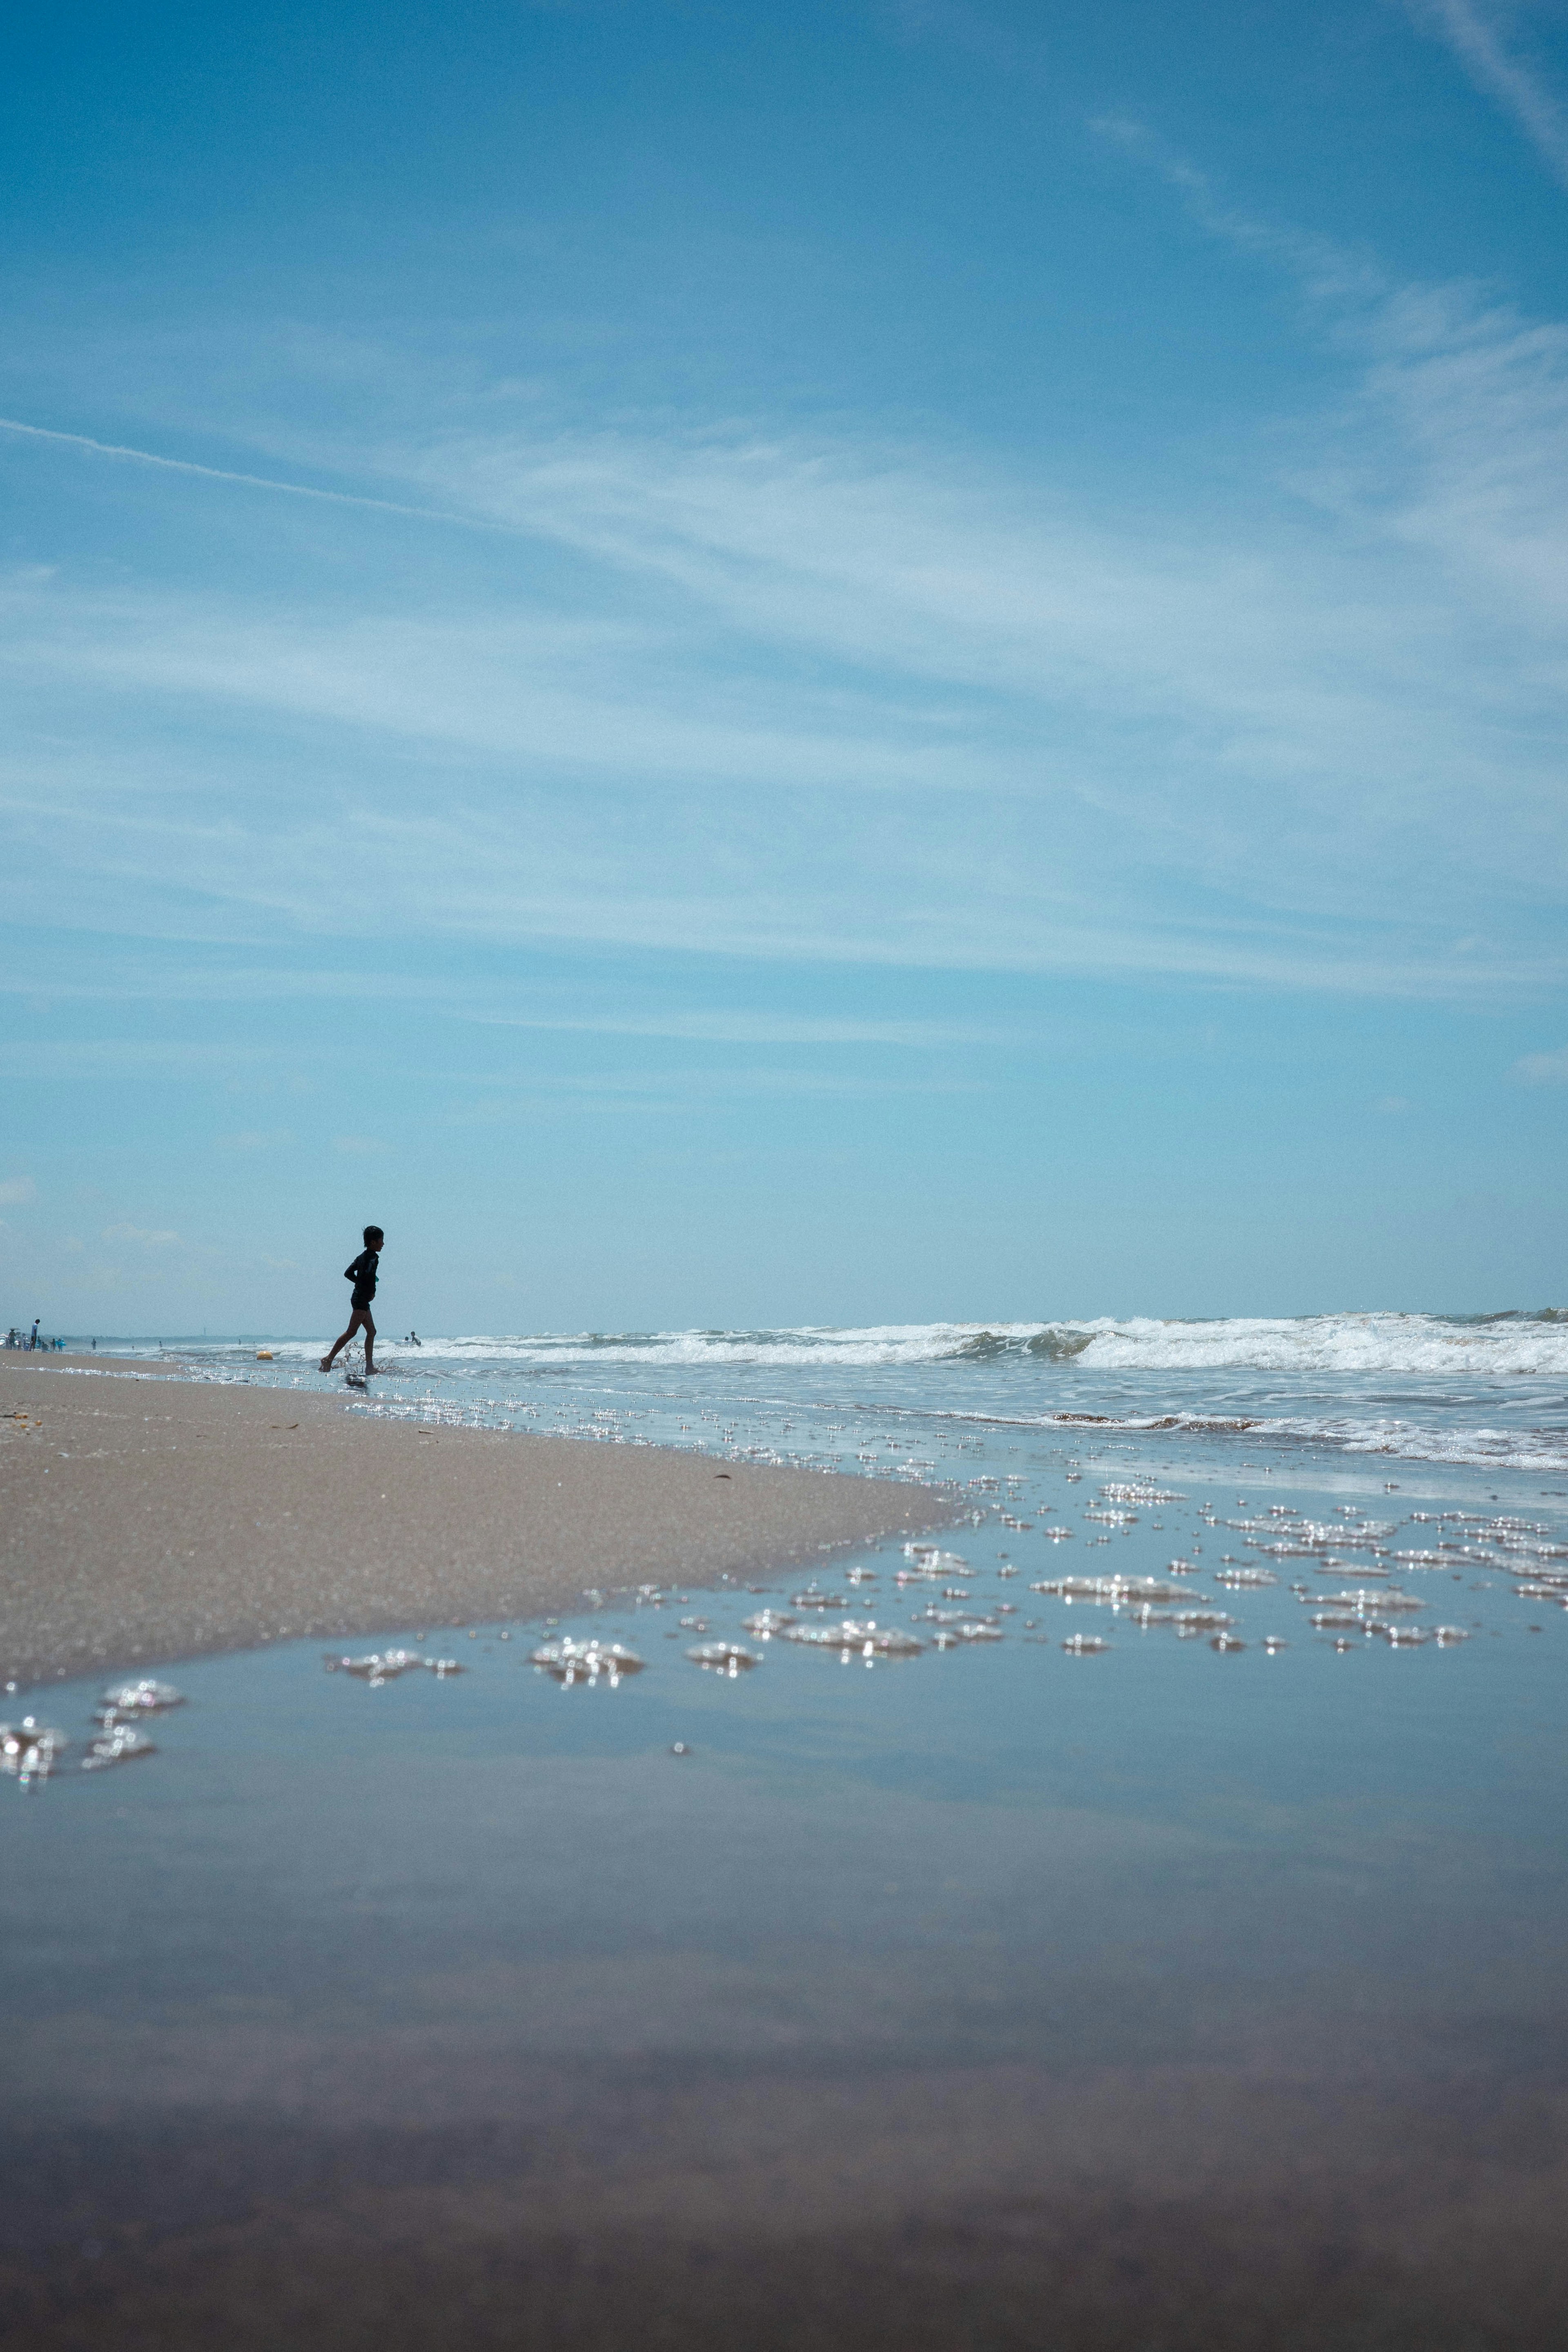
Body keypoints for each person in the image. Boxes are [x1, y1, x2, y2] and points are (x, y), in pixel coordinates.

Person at [320, 1225, 384, 1376]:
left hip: (358, 1297)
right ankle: (328, 1359)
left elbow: (348, 1273)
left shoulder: (361, 1257)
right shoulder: (374, 1258)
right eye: (382, 1240)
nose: (383, 1244)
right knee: (351, 1332)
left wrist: (359, 1284)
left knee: (372, 1331)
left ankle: (369, 1367)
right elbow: (369, 1275)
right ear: (373, 1242)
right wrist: (371, 1291)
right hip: (361, 1299)